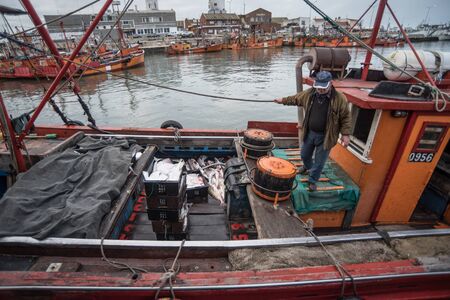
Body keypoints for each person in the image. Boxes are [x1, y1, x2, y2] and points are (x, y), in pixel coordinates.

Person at [274, 71, 352, 191]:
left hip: (326, 136)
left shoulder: (339, 98)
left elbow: (346, 117)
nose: (319, 90)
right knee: (304, 154)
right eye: (318, 87)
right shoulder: (310, 94)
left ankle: (312, 180)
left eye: (323, 88)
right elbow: (295, 99)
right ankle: (307, 167)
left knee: (320, 161)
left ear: (330, 84)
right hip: (310, 133)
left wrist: (345, 134)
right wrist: (282, 100)